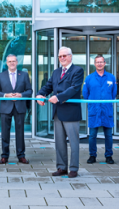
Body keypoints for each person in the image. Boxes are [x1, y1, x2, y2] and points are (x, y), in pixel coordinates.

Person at [36, 46, 84, 178]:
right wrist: (40, 94)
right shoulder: (56, 72)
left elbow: (74, 89)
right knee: (59, 143)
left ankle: (73, 168)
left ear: (70, 56)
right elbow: (48, 86)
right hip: (58, 112)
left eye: (64, 55)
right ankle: (62, 167)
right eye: (60, 56)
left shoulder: (77, 70)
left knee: (73, 143)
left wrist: (58, 97)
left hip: (71, 113)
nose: (62, 58)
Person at [0, 54, 33, 164]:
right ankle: (4, 155)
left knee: (20, 132)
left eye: (14, 61)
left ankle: (21, 155)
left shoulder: (24, 75)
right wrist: (6, 95)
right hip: (6, 107)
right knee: (5, 133)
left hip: (20, 107)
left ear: (17, 62)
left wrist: (21, 95)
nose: (12, 63)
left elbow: (30, 91)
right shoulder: (1, 76)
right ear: (6, 63)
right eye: (9, 61)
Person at [82, 55, 117, 164]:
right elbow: (85, 94)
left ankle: (109, 156)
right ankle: (92, 155)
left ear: (105, 63)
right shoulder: (89, 78)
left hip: (107, 110)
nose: (99, 64)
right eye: (97, 62)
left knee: (108, 135)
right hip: (94, 110)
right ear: (94, 63)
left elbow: (114, 94)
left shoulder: (111, 77)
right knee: (92, 135)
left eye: (101, 62)